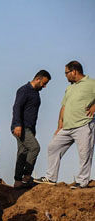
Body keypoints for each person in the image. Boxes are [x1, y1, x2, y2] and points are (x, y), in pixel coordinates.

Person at [35, 61, 95, 189]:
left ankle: (82, 182)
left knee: (85, 154)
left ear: (74, 71)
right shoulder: (70, 87)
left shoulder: (91, 83)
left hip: (84, 125)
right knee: (53, 147)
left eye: (66, 73)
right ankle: (51, 177)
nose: (65, 76)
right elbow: (64, 106)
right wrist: (59, 125)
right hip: (67, 127)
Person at [11, 70, 51, 188]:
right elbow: (17, 107)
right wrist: (18, 124)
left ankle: (18, 181)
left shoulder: (36, 92)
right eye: (43, 83)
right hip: (21, 127)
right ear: (38, 79)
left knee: (22, 153)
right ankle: (27, 176)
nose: (44, 86)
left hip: (29, 128)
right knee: (35, 147)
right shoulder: (24, 90)